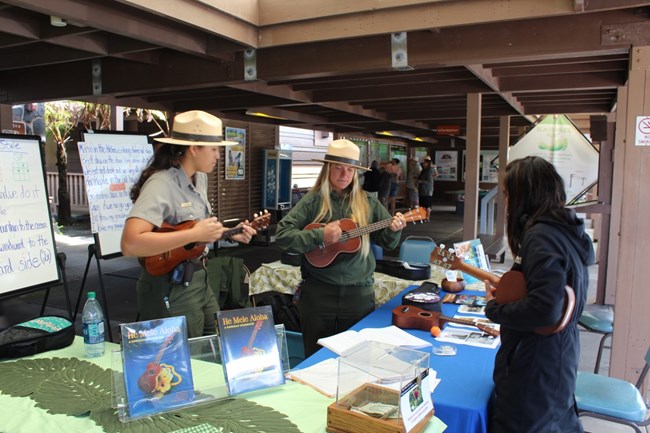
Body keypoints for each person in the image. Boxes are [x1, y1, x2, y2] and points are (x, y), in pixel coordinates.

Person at [121, 110, 257, 338]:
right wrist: (193, 234)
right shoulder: (161, 183)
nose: (218, 156)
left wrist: (228, 233)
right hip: (169, 286)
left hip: (199, 278)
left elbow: (192, 229)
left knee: (213, 343)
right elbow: (130, 243)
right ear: (194, 149)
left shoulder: (199, 178)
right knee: (183, 356)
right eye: (214, 149)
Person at [484, 156, 595, 433]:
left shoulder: (541, 236)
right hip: (557, 354)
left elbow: (545, 308)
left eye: (508, 194)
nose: (506, 202)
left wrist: (494, 309)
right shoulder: (563, 230)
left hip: (536, 364)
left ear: (524, 195)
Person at [275, 139, 407, 356]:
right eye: (338, 168)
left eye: (350, 169)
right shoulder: (312, 201)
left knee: (358, 357)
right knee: (315, 358)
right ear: (328, 168)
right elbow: (282, 235)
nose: (344, 174)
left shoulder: (368, 203)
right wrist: (320, 235)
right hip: (318, 294)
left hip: (358, 295)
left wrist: (395, 228)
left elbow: (387, 242)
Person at [418, 156, 438, 221]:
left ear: (427, 163)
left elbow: (430, 181)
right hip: (423, 190)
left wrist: (421, 181)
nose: (423, 163)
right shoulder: (424, 170)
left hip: (426, 190)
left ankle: (427, 217)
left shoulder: (429, 171)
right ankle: (424, 217)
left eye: (424, 162)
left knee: (427, 205)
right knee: (423, 204)